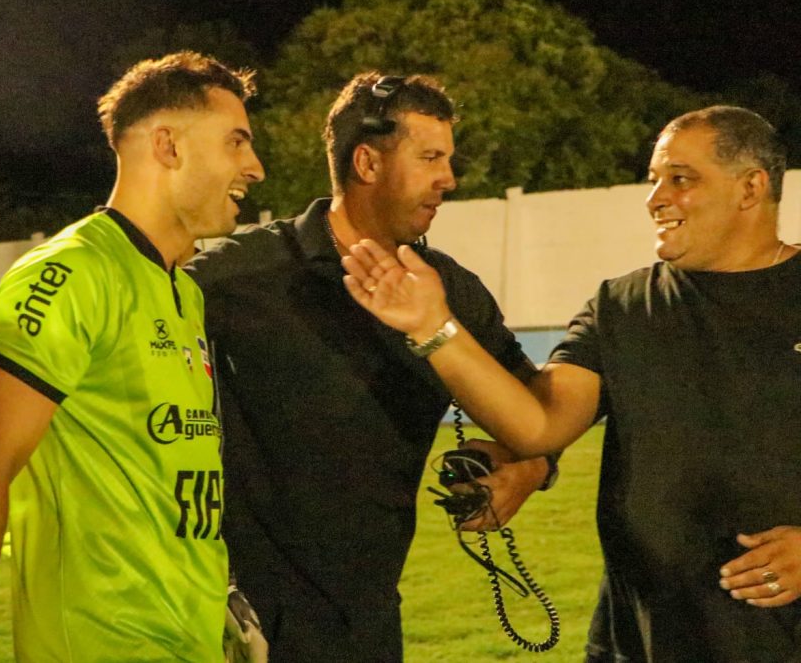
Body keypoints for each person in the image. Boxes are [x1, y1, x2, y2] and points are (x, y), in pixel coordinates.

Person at [342, 105, 801, 661]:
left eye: (681, 179)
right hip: (639, 641)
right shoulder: (621, 307)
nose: (655, 198)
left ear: (751, 187)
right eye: (655, 179)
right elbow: (539, 424)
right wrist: (432, 328)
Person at [185, 73, 557, 662]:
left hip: (370, 624)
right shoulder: (234, 279)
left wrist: (531, 467)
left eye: (448, 159)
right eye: (430, 157)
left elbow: (540, 405)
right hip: (233, 627)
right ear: (367, 162)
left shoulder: (451, 291)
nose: (449, 179)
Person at [0, 51, 267, 662]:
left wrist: (222, 594)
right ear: (168, 146)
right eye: (237, 142)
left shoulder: (182, 289)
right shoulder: (69, 273)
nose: (254, 167)